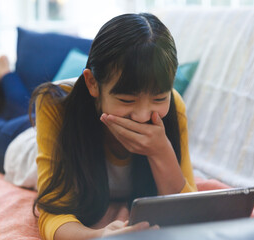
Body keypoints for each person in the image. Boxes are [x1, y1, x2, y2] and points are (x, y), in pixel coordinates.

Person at [32, 13, 197, 240]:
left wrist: (161, 151)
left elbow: (189, 213)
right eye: (127, 100)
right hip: (27, 149)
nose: (141, 116)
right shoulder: (55, 107)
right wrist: (98, 236)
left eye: (159, 99)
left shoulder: (175, 106)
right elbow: (52, 214)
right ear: (92, 83)